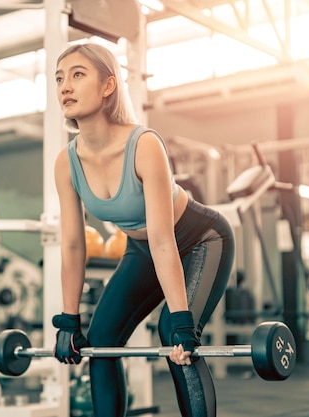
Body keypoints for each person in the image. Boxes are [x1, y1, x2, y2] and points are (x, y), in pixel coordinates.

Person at [51, 42, 235, 417]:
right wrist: (69, 320)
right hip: (143, 250)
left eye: (77, 75)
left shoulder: (143, 144)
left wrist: (183, 321)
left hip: (201, 240)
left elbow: (164, 239)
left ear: (108, 86)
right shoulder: (66, 162)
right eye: (59, 78)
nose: (65, 86)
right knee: (101, 342)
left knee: (174, 338)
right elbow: (72, 245)